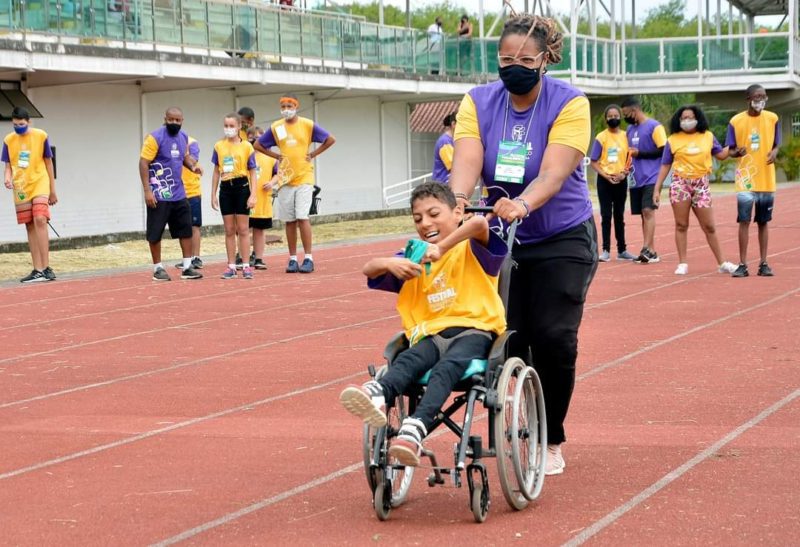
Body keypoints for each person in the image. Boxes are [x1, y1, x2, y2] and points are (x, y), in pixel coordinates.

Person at [448, 14, 598, 476]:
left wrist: (524, 203)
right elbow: (469, 156)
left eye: (525, 59)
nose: (514, 66)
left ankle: (551, 437)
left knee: (554, 336)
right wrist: (455, 202)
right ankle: (519, 414)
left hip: (560, 235)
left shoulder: (570, 102)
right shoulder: (477, 100)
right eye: (505, 59)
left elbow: (555, 171)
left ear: (546, 60)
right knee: (507, 336)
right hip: (497, 235)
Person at [339, 182, 507, 466]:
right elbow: (368, 268)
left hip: (473, 330)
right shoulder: (414, 255)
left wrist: (440, 248)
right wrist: (388, 263)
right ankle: (379, 394)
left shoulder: (472, 246)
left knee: (447, 368)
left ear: (457, 212)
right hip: (430, 333)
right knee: (409, 360)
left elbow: (479, 223)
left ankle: (415, 428)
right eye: (418, 219)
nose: (425, 223)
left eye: (433, 214)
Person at [652, 105, 738, 276]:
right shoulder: (673, 139)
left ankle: (722, 263)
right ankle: (682, 263)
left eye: (690, 117)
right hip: (680, 184)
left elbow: (720, 154)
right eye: (683, 118)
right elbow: (665, 164)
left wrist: (735, 148)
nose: (687, 121)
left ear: (698, 118)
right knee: (681, 224)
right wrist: (657, 188)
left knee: (709, 226)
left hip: (701, 184)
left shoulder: (707, 136)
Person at [254, 94, 335, 274]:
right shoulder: (276, 127)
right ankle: (292, 259)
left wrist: (313, 154)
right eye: (283, 106)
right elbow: (258, 145)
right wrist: (276, 156)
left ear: (296, 106)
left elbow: (330, 139)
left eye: (289, 105)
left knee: (302, 216)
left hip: (304, 177)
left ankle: (308, 257)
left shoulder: (307, 124)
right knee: (289, 220)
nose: (286, 109)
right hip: (285, 178)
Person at [138, 106, 203, 281]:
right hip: (159, 193)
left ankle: (187, 267)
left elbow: (184, 158)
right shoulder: (155, 137)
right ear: (165, 119)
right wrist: (147, 190)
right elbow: (143, 163)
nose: (174, 123)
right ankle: (158, 268)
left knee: (185, 229)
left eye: (178, 120)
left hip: (178, 193)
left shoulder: (183, 138)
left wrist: (193, 166)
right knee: (155, 231)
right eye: (171, 120)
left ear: (182, 121)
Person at [725, 84, 781, 278]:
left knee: (763, 222)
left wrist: (774, 152)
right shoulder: (736, 121)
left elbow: (776, 144)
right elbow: (729, 150)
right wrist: (736, 152)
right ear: (748, 99)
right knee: (744, 221)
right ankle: (742, 264)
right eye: (757, 97)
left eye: (764, 96)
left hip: (766, 178)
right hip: (746, 179)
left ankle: (763, 263)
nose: (761, 100)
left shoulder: (773, 118)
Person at [2, 107, 58, 283]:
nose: (18, 127)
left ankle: (47, 267)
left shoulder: (41, 136)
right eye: (15, 124)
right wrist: (7, 179)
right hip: (21, 187)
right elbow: (8, 165)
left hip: (39, 182)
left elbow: (49, 163)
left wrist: (52, 190)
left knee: (40, 218)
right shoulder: (8, 140)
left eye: (22, 124)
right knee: (29, 225)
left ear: (29, 122)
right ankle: (37, 269)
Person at [211, 113, 258, 279]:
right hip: (225, 188)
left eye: (232, 126)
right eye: (226, 126)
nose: (228, 129)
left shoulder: (247, 147)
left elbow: (253, 172)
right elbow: (216, 170)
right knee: (229, 230)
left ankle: (246, 265)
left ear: (239, 127)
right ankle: (231, 266)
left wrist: (253, 195)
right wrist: (213, 194)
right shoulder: (219, 146)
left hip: (242, 186)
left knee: (243, 229)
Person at [621, 96, 667, 264]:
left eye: (626, 113)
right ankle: (652, 251)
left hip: (652, 177)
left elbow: (664, 151)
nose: (625, 117)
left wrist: (640, 154)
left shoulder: (655, 127)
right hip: (636, 178)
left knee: (648, 211)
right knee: (643, 214)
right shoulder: (630, 130)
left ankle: (646, 248)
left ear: (635, 110)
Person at [589, 104, 636, 261]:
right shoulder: (601, 137)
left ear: (620, 117)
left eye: (616, 116)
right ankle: (606, 251)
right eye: (610, 116)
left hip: (621, 181)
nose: (613, 118)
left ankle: (622, 250)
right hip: (605, 181)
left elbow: (630, 159)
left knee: (619, 215)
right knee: (606, 215)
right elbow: (594, 161)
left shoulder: (626, 136)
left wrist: (624, 173)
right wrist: (606, 175)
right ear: (606, 118)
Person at [247, 126, 279, 270]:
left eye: (260, 136)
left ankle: (259, 258)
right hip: (246, 198)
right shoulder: (246, 154)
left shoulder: (272, 157)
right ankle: (244, 257)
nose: (256, 139)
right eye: (253, 136)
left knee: (259, 230)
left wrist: (272, 182)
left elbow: (279, 173)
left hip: (263, 199)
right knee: (244, 230)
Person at [174, 135, 203, 271]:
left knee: (194, 225)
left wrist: (182, 149)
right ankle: (186, 258)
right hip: (178, 192)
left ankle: (196, 258)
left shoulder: (192, 142)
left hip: (192, 191)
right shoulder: (170, 142)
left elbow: (193, 160)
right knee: (183, 226)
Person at [432, 112, 456, 184]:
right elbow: (453, 166)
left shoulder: (454, 140)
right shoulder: (445, 142)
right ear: (453, 124)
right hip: (444, 187)